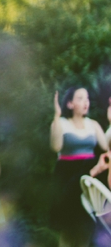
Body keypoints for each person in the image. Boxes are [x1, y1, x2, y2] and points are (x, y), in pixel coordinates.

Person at [50, 87, 108, 246]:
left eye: (87, 98)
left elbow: (106, 147)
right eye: (80, 98)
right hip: (67, 174)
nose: (86, 102)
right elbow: (56, 147)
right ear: (70, 103)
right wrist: (56, 115)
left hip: (89, 174)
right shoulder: (61, 123)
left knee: (86, 222)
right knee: (69, 224)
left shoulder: (93, 125)